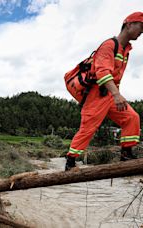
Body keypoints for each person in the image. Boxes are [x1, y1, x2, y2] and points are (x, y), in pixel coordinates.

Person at [65, 12, 143, 171]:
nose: (142, 32)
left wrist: (115, 94)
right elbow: (102, 72)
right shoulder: (109, 45)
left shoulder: (125, 50)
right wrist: (116, 94)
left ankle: (126, 155)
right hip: (97, 94)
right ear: (129, 25)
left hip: (111, 95)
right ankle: (71, 161)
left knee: (131, 117)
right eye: (141, 27)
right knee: (88, 128)